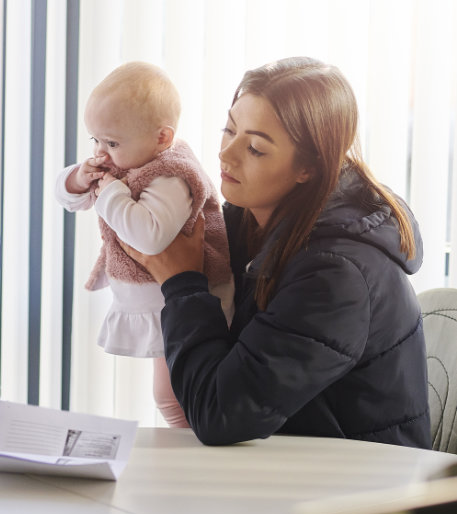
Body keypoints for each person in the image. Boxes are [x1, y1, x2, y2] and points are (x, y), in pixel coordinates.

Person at [123, 57, 431, 448]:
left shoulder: (337, 276)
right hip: (282, 468)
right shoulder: (243, 222)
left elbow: (219, 413)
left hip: (355, 491)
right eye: (228, 130)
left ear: (309, 167)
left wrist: (182, 284)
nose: (226, 155)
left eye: (254, 147)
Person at [55, 61, 234, 427]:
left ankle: (196, 457)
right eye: (95, 140)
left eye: (112, 142)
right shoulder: (127, 161)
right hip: (164, 302)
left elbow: (149, 236)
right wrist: (77, 179)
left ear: (162, 138)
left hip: (184, 300)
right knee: (169, 397)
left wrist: (110, 194)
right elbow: (70, 200)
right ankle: (188, 453)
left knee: (176, 397)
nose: (101, 153)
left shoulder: (172, 175)